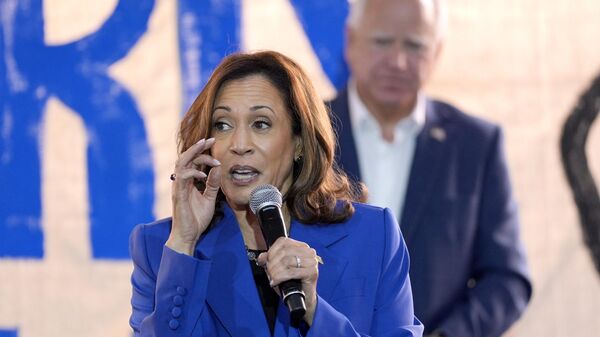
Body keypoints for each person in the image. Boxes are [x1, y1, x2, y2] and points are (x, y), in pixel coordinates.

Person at [128, 50, 424, 336]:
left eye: (261, 124)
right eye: (223, 125)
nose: (239, 143)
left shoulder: (372, 237)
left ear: (298, 141)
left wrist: (314, 311)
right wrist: (185, 241)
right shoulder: (159, 250)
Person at [328, 0, 533, 336]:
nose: (397, 61)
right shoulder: (303, 136)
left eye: (415, 45)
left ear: (437, 52)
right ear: (351, 42)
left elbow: (507, 279)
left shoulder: (476, 145)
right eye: (382, 41)